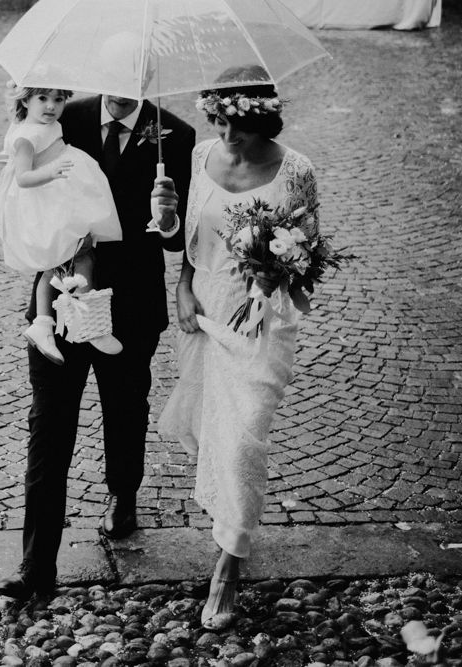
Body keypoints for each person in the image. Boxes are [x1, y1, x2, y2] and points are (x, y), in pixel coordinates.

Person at [0, 90, 195, 600]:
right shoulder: (67, 116)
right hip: (62, 295)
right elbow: (27, 185)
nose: (121, 90)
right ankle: (37, 563)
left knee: (125, 407)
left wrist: (167, 216)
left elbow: (177, 239)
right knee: (49, 425)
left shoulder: (175, 133)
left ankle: (122, 492)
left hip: (130, 304)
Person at [158, 69, 319, 629]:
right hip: (203, 313)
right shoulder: (201, 155)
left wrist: (267, 285)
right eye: (218, 122)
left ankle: (227, 568)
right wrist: (180, 287)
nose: (226, 136)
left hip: (262, 323)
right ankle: (230, 524)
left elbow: (306, 257)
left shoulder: (297, 170)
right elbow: (190, 244)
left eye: (238, 126)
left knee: (245, 436)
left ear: (263, 120)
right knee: (214, 433)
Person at [0, 83, 124, 365]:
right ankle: (89, 324)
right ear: (25, 100)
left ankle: (43, 322)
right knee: (76, 257)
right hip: (47, 198)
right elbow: (23, 177)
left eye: (58, 99)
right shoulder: (26, 136)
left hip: (63, 193)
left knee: (64, 260)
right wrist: (50, 172)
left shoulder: (45, 124)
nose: (51, 106)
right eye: (42, 98)